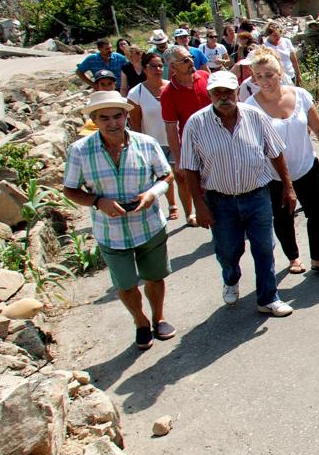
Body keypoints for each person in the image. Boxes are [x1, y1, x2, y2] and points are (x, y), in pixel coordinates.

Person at [62, 91, 175, 350]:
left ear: (126, 115)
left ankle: (159, 317)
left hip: (148, 225)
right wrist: (98, 202)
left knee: (155, 277)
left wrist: (151, 194)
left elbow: (166, 176)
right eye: (105, 118)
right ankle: (141, 322)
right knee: (125, 283)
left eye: (118, 116)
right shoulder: (80, 151)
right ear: (94, 119)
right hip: (110, 230)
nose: (113, 123)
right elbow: (70, 189)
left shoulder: (145, 143)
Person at [180, 71, 295, 317]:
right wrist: (198, 206)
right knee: (229, 250)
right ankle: (231, 278)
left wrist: (288, 186)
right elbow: (189, 168)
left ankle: (268, 297)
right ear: (210, 94)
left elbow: (275, 152)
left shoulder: (255, 117)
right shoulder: (196, 124)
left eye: (228, 92)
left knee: (264, 247)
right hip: (220, 200)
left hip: (256, 195)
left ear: (236, 93)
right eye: (217, 93)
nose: (224, 97)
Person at [244, 48, 319, 277]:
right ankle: (293, 257)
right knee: (283, 217)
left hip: (306, 166)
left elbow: (318, 128)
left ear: (279, 73)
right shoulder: (250, 107)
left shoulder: (300, 95)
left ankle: (318, 257)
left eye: (269, 74)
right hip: (274, 175)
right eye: (259, 76)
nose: (264, 81)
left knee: (318, 213)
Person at [160, 46, 211, 227]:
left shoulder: (205, 78)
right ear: (173, 67)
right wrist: (180, 159)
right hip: (195, 148)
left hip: (219, 141)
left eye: (190, 58)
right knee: (204, 189)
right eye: (185, 60)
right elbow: (171, 129)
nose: (191, 62)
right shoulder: (168, 94)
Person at [127, 51, 180, 221]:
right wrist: (138, 147)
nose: (157, 69)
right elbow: (135, 123)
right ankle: (172, 205)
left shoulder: (172, 87)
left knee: (181, 175)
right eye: (153, 66)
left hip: (176, 138)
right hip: (153, 142)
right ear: (144, 69)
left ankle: (191, 210)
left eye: (160, 66)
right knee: (165, 175)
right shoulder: (136, 94)